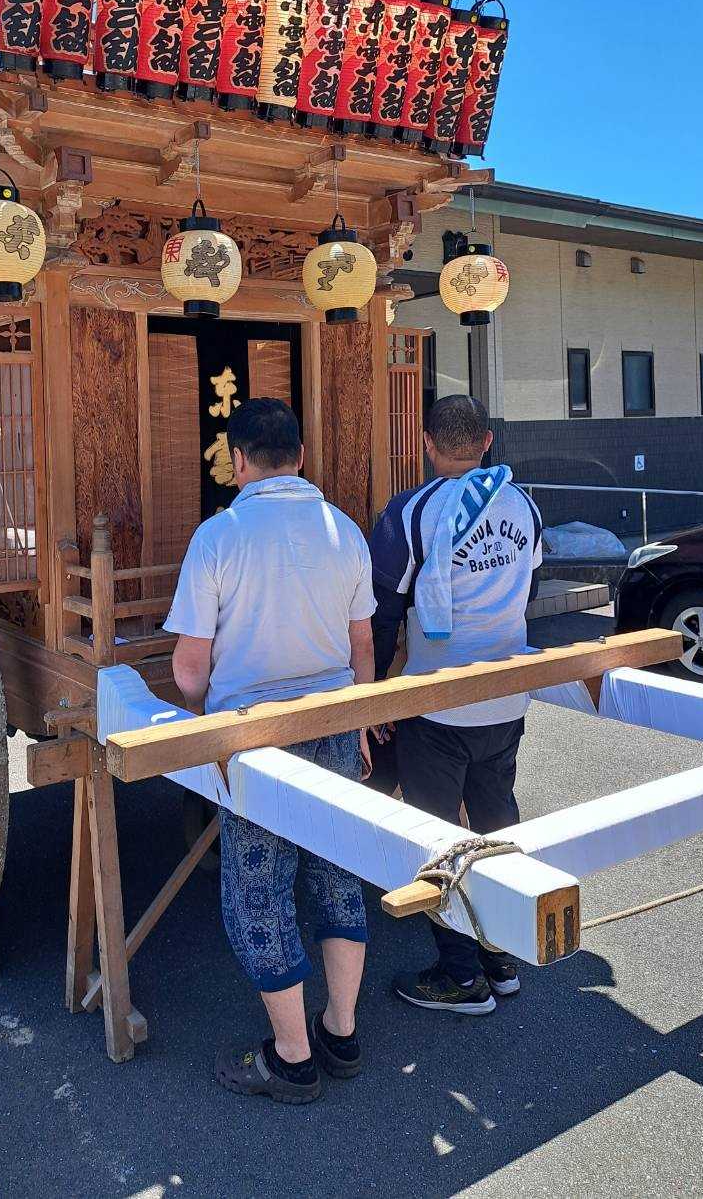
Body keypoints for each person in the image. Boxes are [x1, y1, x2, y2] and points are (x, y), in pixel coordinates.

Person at [164, 397, 376, 1103]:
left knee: (259, 890)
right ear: (302, 456)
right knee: (339, 874)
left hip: (253, 741)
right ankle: (340, 1031)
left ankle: (292, 1056)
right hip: (336, 724)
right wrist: (361, 718)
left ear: (240, 461)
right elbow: (362, 645)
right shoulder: (344, 530)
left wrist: (197, 727)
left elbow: (190, 669)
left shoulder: (218, 537)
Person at [368, 394, 542, 1014]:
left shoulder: (414, 512)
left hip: (437, 704)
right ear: (488, 442)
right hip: (505, 696)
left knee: (439, 841)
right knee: (496, 827)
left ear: (427, 444)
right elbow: (529, 586)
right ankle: (502, 955)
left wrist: (376, 695)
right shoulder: (523, 506)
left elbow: (383, 612)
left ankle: (461, 975)